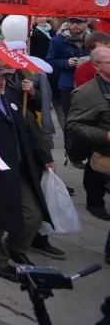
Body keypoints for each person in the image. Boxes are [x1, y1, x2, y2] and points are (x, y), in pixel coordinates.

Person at [0, 59, 53, 282]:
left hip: (19, 168)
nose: (1, 82)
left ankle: (15, 248)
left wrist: (43, 157)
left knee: (33, 215)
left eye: (3, 77)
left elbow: (26, 131)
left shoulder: (9, 97)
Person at [68, 45, 110, 223]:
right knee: (96, 175)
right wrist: (105, 136)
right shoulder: (86, 93)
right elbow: (73, 125)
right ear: (96, 66)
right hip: (101, 149)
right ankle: (95, 203)